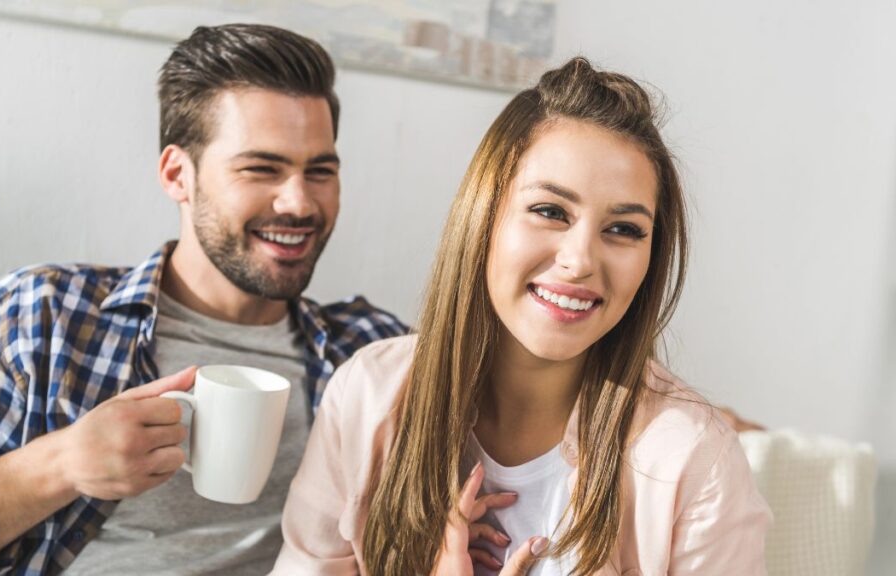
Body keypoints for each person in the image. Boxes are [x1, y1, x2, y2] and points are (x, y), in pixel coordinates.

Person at [0, 24, 405, 574]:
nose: (298, 202)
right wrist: (60, 465)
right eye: (260, 169)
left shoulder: (372, 354)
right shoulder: (41, 316)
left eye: (320, 171)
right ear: (178, 174)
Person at [272, 58, 773, 575]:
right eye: (551, 211)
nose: (580, 260)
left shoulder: (695, 461)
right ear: (484, 217)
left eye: (623, 229)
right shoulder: (367, 397)